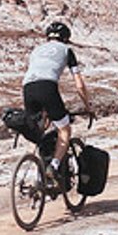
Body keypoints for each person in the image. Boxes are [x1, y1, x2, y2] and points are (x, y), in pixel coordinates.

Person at [23, 20, 91, 192]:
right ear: (66, 38)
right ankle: (53, 166)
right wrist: (88, 106)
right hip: (47, 87)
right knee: (65, 129)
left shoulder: (36, 51)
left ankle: (30, 170)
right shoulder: (67, 50)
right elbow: (79, 84)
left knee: (38, 132)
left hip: (27, 88)